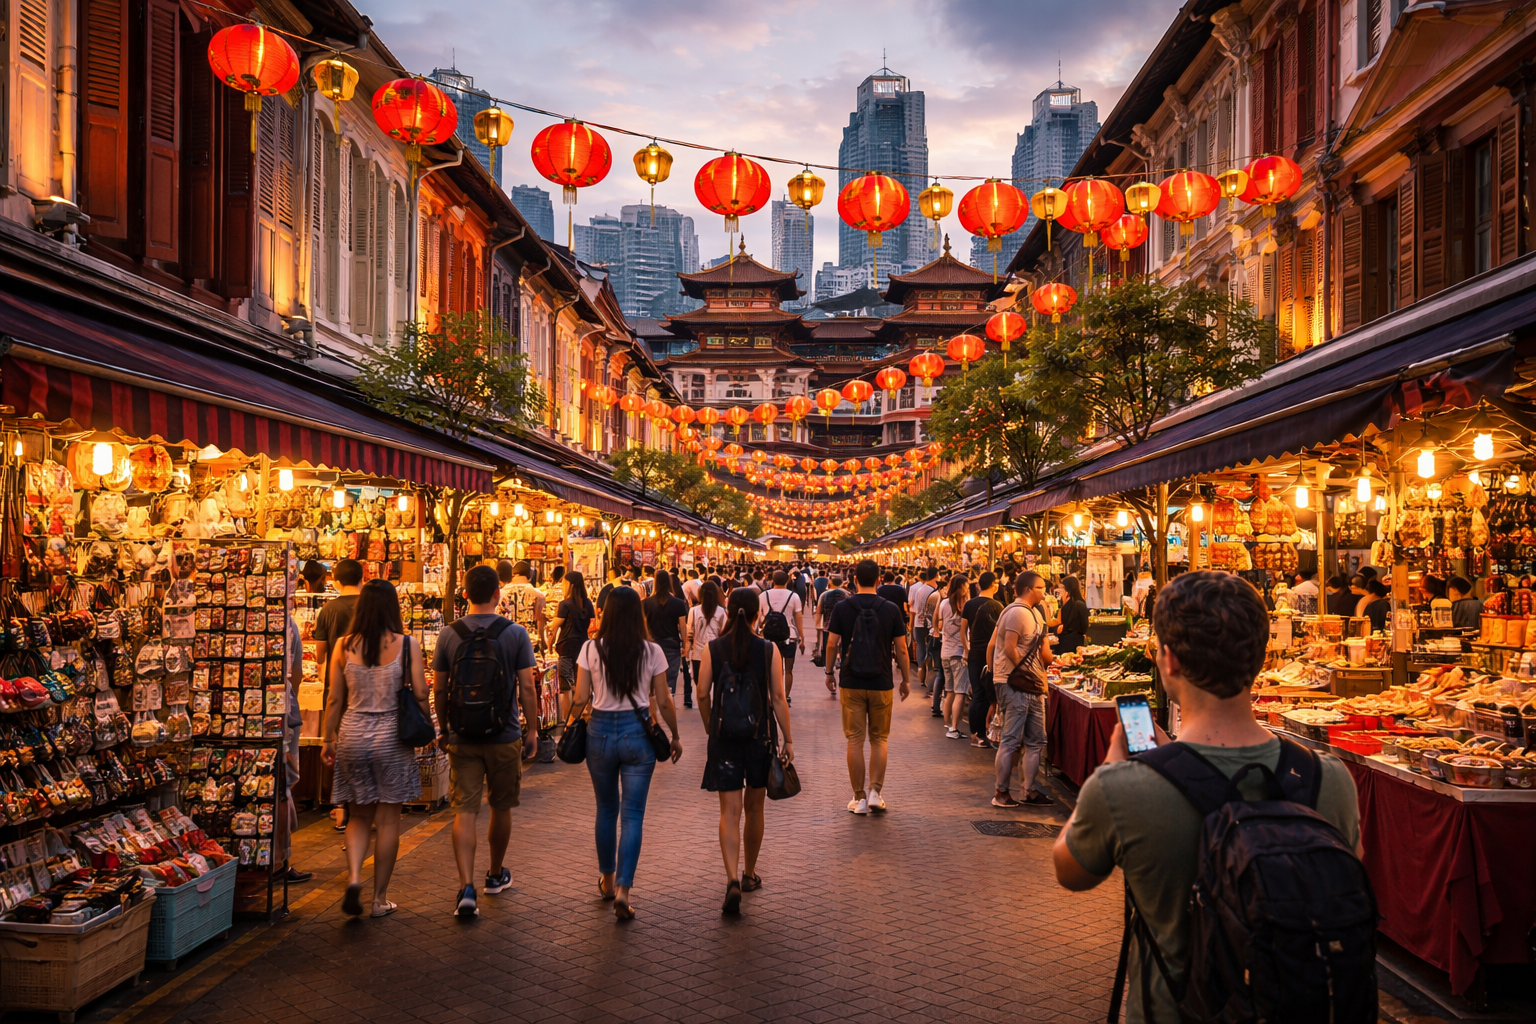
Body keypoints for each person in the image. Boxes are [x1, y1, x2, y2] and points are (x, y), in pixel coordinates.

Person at [1052, 571, 1360, 1024]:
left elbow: (1070, 871)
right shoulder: (1329, 779)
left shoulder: (1124, 787)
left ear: (1169, 660)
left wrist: (1114, 772)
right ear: (1259, 658)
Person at [431, 566, 539, 918]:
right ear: (498, 595)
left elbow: (439, 688)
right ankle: (495, 874)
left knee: (464, 810)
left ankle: (466, 887)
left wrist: (445, 728)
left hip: (461, 735)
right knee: (501, 805)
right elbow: (527, 687)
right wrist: (533, 729)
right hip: (504, 733)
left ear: (464, 594)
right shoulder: (515, 634)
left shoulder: (449, 634)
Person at [572, 586, 683, 920]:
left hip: (600, 734)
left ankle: (606, 881)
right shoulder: (651, 651)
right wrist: (675, 735)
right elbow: (663, 701)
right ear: (639, 614)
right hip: (638, 734)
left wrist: (569, 725)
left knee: (606, 810)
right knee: (632, 814)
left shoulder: (590, 648)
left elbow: (580, 697)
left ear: (605, 612)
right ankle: (623, 889)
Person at [321, 579, 430, 918]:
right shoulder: (407, 645)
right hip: (392, 739)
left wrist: (328, 738)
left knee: (357, 815)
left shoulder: (343, 645)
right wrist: (429, 726)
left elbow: (335, 698)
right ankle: (379, 898)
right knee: (387, 820)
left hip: (353, 735)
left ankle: (354, 877)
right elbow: (422, 694)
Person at [696, 588, 794, 915]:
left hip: (724, 738)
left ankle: (730, 880)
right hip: (759, 737)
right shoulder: (769, 650)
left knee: (729, 812)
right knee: (755, 808)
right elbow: (778, 698)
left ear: (728, 610)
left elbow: (701, 693)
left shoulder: (713, 649)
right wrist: (787, 740)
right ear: (758, 615)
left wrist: (711, 727)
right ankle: (749, 874)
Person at [823, 559, 909, 815]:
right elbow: (902, 649)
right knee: (880, 739)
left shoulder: (842, 607)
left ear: (854, 580)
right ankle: (875, 792)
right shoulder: (891, 609)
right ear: (879, 579)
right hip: (882, 682)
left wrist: (829, 672)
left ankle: (858, 798)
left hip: (851, 681)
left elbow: (831, 644)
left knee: (855, 740)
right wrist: (905, 679)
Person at [988, 572, 1054, 808]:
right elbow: (1008, 647)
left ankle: (1029, 791)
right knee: (1011, 741)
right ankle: (1001, 792)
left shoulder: (1033, 613)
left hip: (1031, 684)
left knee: (1036, 741)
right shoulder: (1016, 612)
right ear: (1028, 589)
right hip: (1015, 684)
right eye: (1041, 587)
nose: (1044, 592)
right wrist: (1023, 674)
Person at [311, 558, 363, 832]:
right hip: (367, 688)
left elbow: (320, 653)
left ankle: (341, 807)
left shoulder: (328, 609)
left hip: (338, 685)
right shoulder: (371, 608)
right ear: (362, 578)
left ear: (335, 579)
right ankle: (365, 807)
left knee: (339, 745)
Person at [962, 572, 1004, 749]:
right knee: (986, 694)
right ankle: (980, 733)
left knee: (978, 694)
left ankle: (977, 733)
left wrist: (966, 649)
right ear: (993, 585)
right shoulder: (998, 606)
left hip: (974, 654)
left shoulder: (969, 604)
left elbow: (962, 630)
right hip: (991, 655)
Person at [549, 571, 596, 724]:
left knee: (565, 683)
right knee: (582, 680)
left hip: (566, 647)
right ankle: (584, 713)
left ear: (570, 584)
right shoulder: (588, 603)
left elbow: (554, 627)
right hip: (583, 645)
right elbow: (591, 624)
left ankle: (568, 717)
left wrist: (549, 643)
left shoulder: (565, 604)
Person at [757, 571, 805, 705]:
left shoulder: (763, 595)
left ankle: (770, 696)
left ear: (772, 580)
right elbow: (798, 618)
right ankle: (786, 696)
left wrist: (757, 632)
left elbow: (758, 617)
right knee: (788, 669)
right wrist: (802, 637)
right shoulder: (794, 596)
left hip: (768, 637)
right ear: (787, 581)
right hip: (790, 637)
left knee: (768, 669)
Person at [643, 572, 691, 704]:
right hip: (672, 645)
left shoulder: (646, 603)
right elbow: (682, 627)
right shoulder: (678, 603)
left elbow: (643, 626)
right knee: (670, 679)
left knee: (651, 679)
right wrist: (685, 644)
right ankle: (668, 705)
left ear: (655, 583)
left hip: (652, 645)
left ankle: (653, 710)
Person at [936, 575, 970, 739]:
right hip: (959, 653)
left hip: (945, 652)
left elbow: (940, 623)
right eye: (967, 585)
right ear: (961, 587)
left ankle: (947, 724)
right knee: (960, 692)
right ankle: (954, 728)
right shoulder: (964, 605)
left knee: (949, 691)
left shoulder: (943, 602)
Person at [497, 560, 548, 651]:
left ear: (513, 574)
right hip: (529, 643)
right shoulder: (538, 595)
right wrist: (542, 643)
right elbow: (540, 621)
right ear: (530, 575)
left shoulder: (500, 594)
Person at [687, 581, 729, 687]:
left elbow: (689, 633)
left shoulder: (693, 611)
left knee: (700, 687)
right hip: (716, 654)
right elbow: (724, 634)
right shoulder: (722, 612)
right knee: (718, 686)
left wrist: (687, 653)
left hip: (698, 655)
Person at [907, 567, 937, 696]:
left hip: (918, 623)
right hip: (930, 624)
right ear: (936, 576)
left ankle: (921, 671)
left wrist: (912, 623)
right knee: (931, 650)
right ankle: (929, 676)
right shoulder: (935, 591)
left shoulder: (918, 589)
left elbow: (914, 608)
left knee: (920, 647)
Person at [1056, 575, 1090, 654]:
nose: (1061, 590)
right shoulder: (1066, 604)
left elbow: (1084, 626)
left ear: (1069, 589)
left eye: (1062, 588)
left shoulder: (1078, 604)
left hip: (1073, 642)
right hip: (1066, 641)